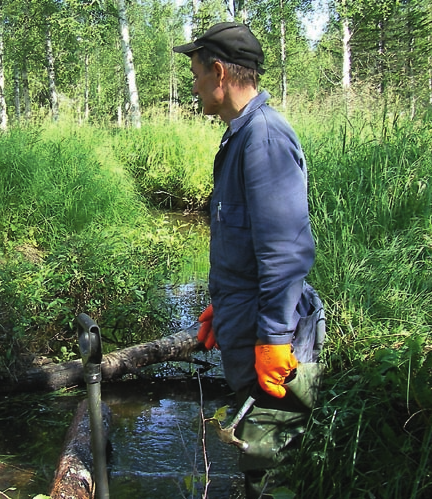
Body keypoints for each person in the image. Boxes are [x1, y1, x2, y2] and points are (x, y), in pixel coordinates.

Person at [173, 23, 326, 498]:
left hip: (275, 348)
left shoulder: (263, 138)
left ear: (219, 72)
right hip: (251, 328)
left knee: (271, 474)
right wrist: (227, 305)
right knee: (256, 465)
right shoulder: (238, 136)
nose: (193, 84)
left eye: (196, 72)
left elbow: (285, 252)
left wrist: (274, 338)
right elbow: (249, 245)